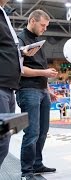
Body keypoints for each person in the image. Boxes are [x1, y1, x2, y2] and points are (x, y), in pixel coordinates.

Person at [16, 9, 58, 180]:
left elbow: (41, 68)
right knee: (32, 132)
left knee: (42, 131)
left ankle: (37, 163)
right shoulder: (19, 40)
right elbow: (20, 70)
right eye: (42, 25)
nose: (44, 29)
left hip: (42, 90)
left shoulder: (38, 42)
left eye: (46, 26)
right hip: (27, 90)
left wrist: (48, 89)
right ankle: (26, 171)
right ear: (32, 21)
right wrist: (44, 74)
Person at [0, 0, 38, 168]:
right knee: (2, 141)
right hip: (1, 85)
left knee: (5, 139)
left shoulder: (3, 13)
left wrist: (21, 52)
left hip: (9, 86)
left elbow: (6, 47)